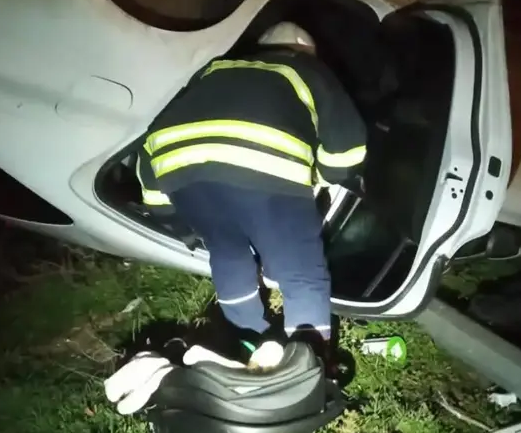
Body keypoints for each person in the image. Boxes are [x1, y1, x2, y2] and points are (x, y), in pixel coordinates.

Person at [135, 22, 367, 370]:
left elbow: (156, 144)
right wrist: (321, 177)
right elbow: (346, 154)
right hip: (263, 161)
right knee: (301, 274)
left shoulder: (216, 68)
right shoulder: (306, 69)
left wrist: (178, 223)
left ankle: (250, 343)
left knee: (227, 250)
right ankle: (307, 369)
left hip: (175, 165)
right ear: (304, 50)